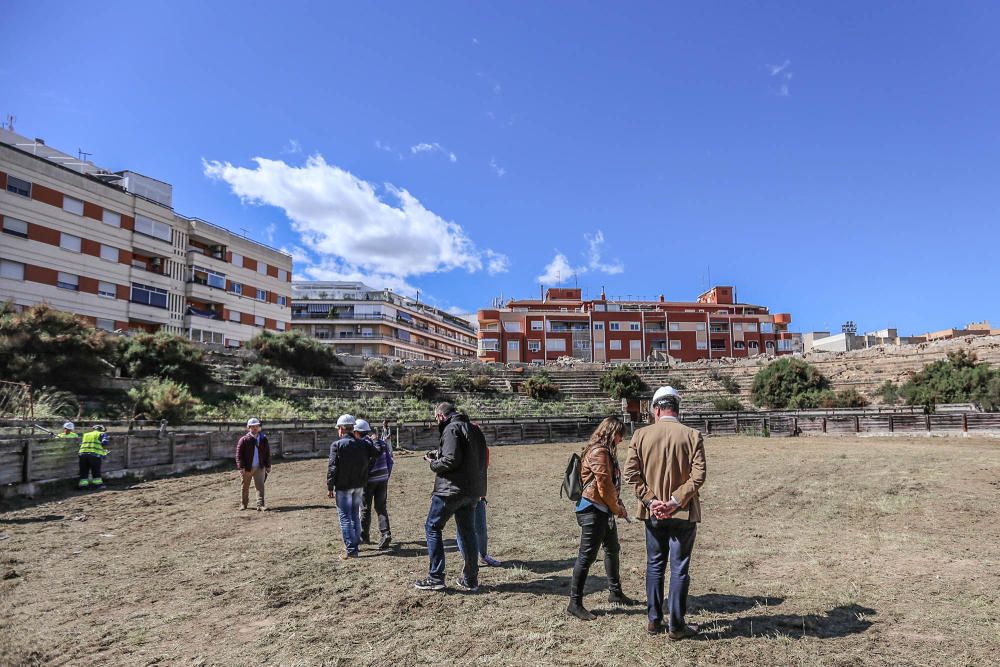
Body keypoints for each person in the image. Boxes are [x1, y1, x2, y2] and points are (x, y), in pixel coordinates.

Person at [624, 386, 707, 640]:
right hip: (682, 513)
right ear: (677, 409)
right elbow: (699, 475)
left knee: (654, 565)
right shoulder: (692, 435)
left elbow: (630, 474)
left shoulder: (640, 435)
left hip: (652, 514)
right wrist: (674, 501)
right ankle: (677, 625)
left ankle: (653, 620)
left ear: (657, 409)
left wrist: (652, 502)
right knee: (679, 568)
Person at [567, 417, 637, 621]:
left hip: (602, 509)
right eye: (619, 435)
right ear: (611, 432)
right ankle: (575, 602)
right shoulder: (599, 452)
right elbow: (604, 486)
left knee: (612, 549)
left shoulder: (602, 450)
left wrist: (617, 504)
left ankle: (615, 593)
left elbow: (610, 485)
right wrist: (617, 509)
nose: (621, 440)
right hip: (593, 510)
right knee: (586, 557)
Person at [415, 402, 487, 592]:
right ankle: (471, 579)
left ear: (440, 416)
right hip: (472, 490)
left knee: (432, 527)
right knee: (468, 532)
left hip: (450, 490)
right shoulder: (474, 429)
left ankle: (435, 576)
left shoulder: (450, 429)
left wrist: (433, 463)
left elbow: (451, 460)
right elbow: (475, 458)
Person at [327, 414, 379, 559]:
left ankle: (351, 549)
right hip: (358, 485)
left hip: (342, 487)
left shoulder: (336, 445)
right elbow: (376, 453)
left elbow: (332, 468)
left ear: (341, 429)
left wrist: (330, 486)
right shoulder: (363, 444)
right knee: (355, 516)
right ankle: (355, 544)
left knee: (344, 517)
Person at [357, 419, 393, 549]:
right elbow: (390, 460)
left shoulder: (363, 445)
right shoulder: (380, 442)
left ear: (357, 432)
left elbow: (365, 464)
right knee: (381, 507)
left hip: (369, 481)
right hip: (383, 478)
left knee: (365, 508)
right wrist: (387, 475)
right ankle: (385, 533)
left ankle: (364, 536)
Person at [235, 418, 271, 511]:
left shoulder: (263, 439)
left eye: (256, 426)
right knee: (245, 487)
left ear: (259, 427)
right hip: (247, 468)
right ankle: (244, 504)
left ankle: (260, 505)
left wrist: (268, 465)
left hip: (260, 467)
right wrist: (241, 467)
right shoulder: (243, 440)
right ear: (248, 428)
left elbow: (267, 453)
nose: (255, 428)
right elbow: (239, 455)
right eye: (252, 427)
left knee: (260, 487)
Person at [78, 425, 109, 489]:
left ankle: (83, 486)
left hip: (82, 454)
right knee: (95, 470)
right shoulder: (102, 434)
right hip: (94, 455)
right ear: (101, 429)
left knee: (84, 470)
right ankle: (98, 485)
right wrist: (103, 450)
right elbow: (105, 442)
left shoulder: (86, 434)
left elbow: (81, 443)